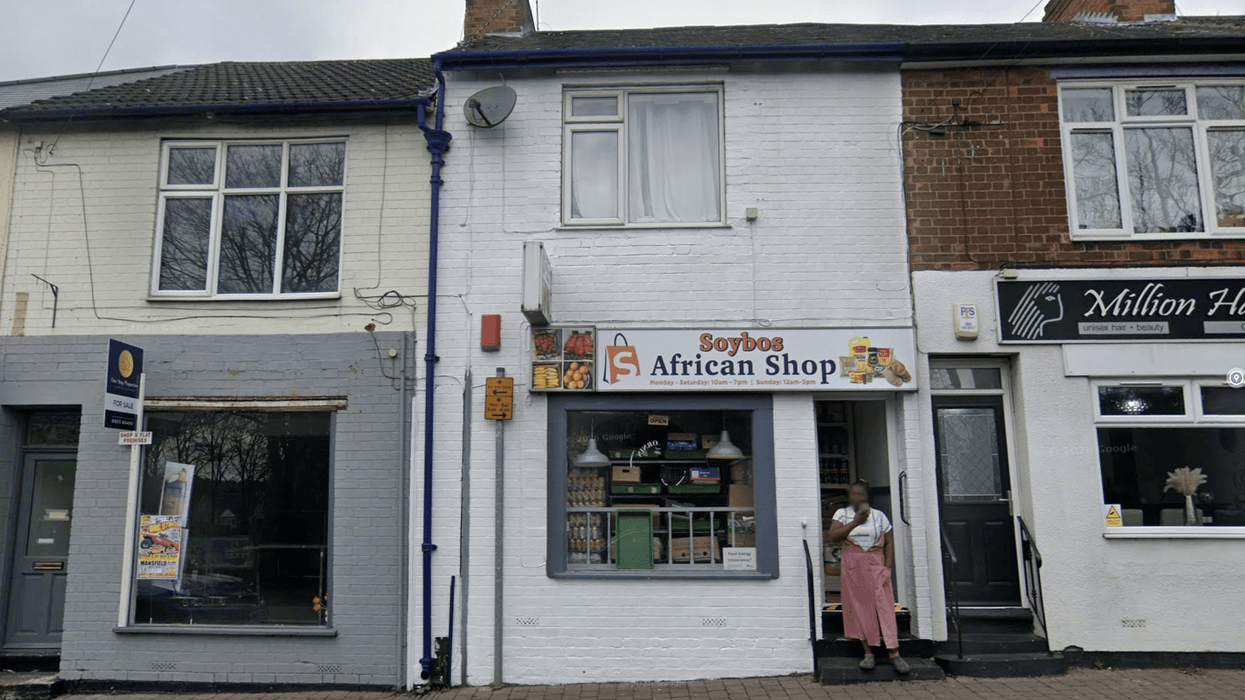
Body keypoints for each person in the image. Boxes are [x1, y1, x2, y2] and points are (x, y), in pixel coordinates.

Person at [827, 479, 909, 674]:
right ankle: (868, 653)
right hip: (854, 568)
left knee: (884, 607)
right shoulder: (842, 514)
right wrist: (856, 521)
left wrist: (887, 567)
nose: (857, 497)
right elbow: (833, 537)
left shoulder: (880, 516)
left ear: (867, 497)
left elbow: (889, 543)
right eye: (853, 494)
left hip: (876, 566)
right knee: (860, 609)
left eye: (860, 494)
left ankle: (894, 652)